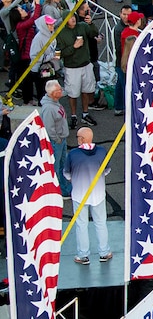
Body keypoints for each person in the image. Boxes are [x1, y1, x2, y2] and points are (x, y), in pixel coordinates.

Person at [64, 127, 112, 264]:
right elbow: (107, 170)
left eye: (78, 136)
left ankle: (83, 255)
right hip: (98, 194)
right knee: (101, 223)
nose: (77, 138)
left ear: (82, 139)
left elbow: (67, 173)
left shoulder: (73, 154)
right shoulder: (102, 152)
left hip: (79, 194)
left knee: (81, 225)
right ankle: (104, 252)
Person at [41, 79, 71, 197]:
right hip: (56, 142)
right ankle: (58, 191)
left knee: (63, 165)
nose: (61, 91)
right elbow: (49, 128)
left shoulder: (55, 102)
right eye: (59, 89)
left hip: (61, 140)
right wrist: (57, 139)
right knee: (56, 167)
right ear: (53, 94)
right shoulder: (49, 108)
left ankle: (64, 188)